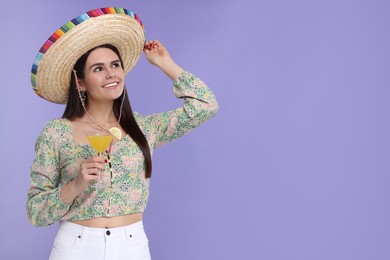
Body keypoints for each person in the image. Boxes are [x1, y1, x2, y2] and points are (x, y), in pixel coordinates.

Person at [26, 7, 218, 260]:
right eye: (98, 69)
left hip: (132, 246)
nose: (111, 74)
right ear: (80, 82)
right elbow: (36, 212)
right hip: (76, 247)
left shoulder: (145, 128)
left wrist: (165, 63)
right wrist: (77, 184)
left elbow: (206, 106)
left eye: (115, 65)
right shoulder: (56, 133)